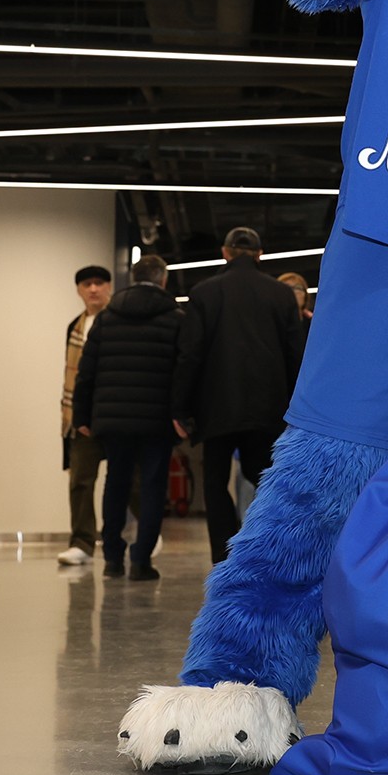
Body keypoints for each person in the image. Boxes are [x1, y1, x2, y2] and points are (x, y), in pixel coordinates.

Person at [172, 226, 304, 563]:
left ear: (225, 252)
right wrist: (298, 409)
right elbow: (295, 356)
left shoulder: (203, 292)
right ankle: (264, 549)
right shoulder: (281, 295)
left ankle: (224, 554)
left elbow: (190, 355)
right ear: (260, 254)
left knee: (216, 482)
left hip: (216, 407)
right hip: (269, 407)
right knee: (265, 478)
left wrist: (180, 407)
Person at [72, 255, 183, 581]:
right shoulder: (176, 318)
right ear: (163, 280)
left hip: (113, 419)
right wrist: (184, 416)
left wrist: (81, 415)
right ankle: (141, 561)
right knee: (151, 487)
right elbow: (185, 371)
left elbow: (86, 372)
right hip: (157, 420)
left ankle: (112, 559)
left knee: (116, 484)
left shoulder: (107, 318)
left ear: (132, 279)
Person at [58, 264, 113, 567]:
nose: (93, 289)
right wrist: (74, 414)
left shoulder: (118, 321)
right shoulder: (74, 327)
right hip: (81, 417)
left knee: (129, 481)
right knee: (80, 480)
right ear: (79, 290)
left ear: (109, 287)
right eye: (87, 284)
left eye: (99, 283)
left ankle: (142, 535)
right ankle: (81, 542)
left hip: (113, 414)